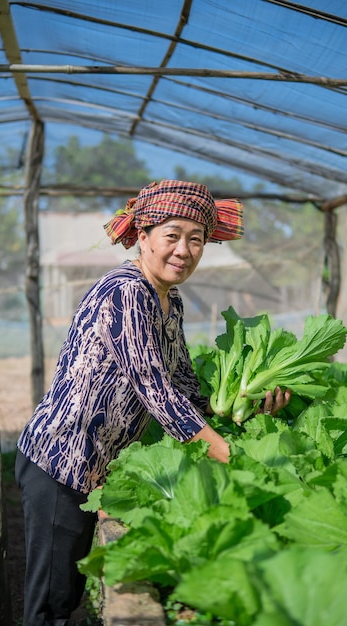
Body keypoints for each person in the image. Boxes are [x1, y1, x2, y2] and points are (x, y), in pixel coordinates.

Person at [15, 179, 290, 624]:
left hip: (94, 469)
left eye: (196, 239)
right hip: (59, 464)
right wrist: (229, 456)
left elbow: (182, 386)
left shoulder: (170, 300)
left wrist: (251, 412)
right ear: (142, 237)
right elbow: (155, 389)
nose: (184, 250)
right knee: (50, 603)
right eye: (172, 236)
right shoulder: (126, 291)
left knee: (66, 597)